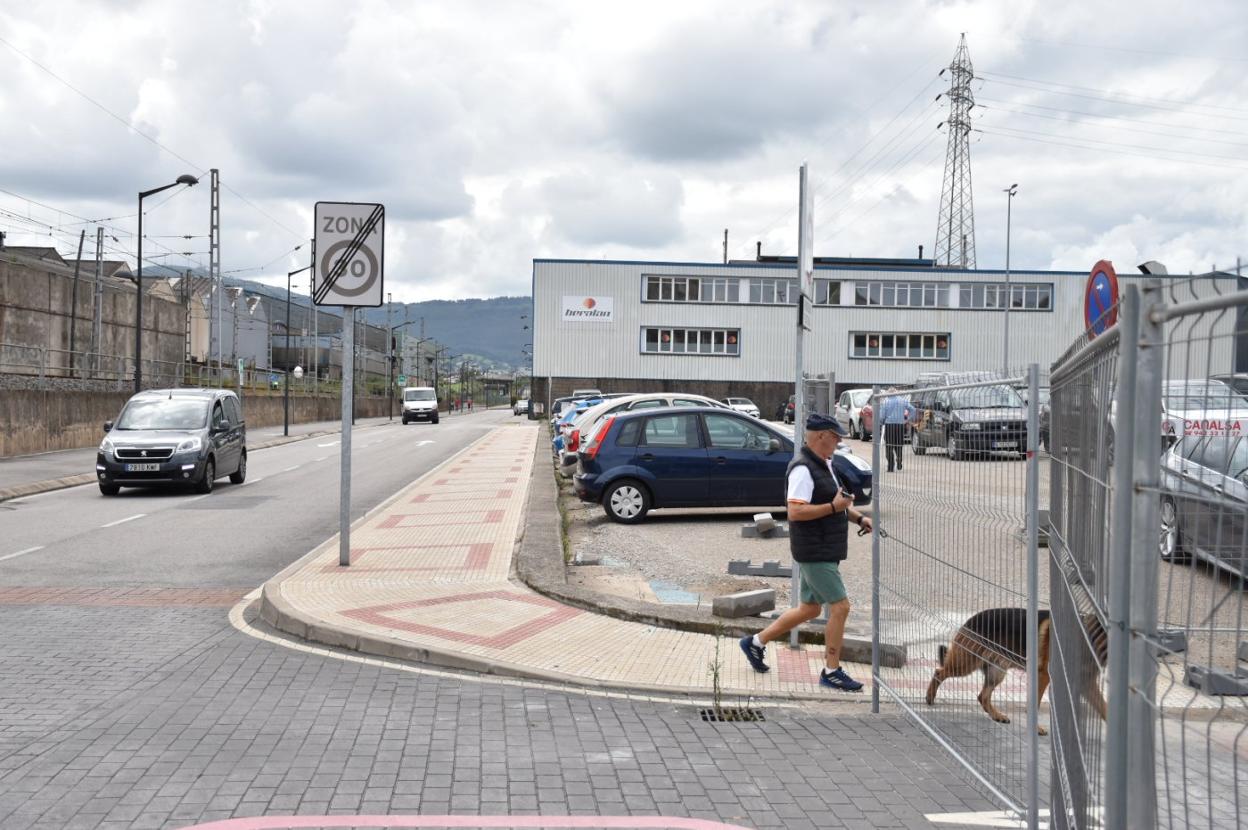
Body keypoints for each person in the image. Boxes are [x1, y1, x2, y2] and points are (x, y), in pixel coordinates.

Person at [740, 413, 873, 691]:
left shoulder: (824, 465)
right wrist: (835, 508)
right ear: (821, 436)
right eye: (836, 436)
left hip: (823, 547)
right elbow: (796, 512)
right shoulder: (803, 469)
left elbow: (835, 502)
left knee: (810, 609)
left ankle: (754, 643)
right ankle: (831, 670)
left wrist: (858, 517)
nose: (838, 441)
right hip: (815, 551)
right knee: (841, 607)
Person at [878, 387, 916, 473]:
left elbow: (881, 416)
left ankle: (890, 467)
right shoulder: (902, 400)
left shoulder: (886, 402)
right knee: (899, 445)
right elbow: (913, 409)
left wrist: (881, 422)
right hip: (900, 425)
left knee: (889, 446)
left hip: (889, 425)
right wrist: (907, 419)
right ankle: (899, 458)